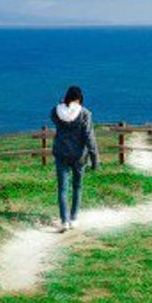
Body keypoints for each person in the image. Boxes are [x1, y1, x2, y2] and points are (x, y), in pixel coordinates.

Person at [51, 85, 99, 231]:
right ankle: (74, 218)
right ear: (80, 99)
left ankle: (64, 221)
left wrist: (63, 103)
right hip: (79, 156)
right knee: (77, 187)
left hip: (61, 153)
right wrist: (95, 159)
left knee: (62, 189)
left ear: (66, 97)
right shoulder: (85, 114)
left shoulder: (56, 111)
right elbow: (89, 137)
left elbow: (56, 115)